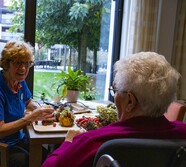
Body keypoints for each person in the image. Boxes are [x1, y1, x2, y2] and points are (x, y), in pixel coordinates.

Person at [42, 52, 186, 167]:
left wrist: (68, 142)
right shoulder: (183, 134)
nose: (115, 96)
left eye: (116, 90)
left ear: (130, 101)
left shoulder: (92, 142)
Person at [0, 40, 55, 167]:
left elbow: (28, 101)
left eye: (26, 63)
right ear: (6, 64)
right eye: (18, 63)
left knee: (51, 158)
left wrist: (43, 110)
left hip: (17, 141)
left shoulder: (19, 81)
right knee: (37, 162)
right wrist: (30, 118)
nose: (23, 68)